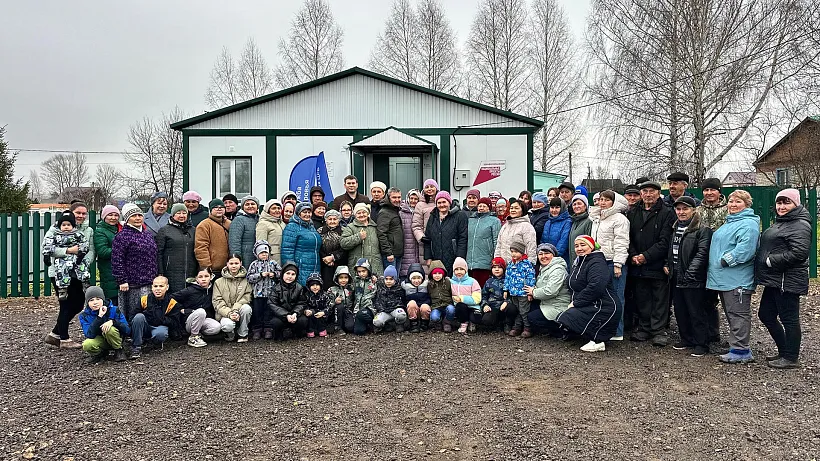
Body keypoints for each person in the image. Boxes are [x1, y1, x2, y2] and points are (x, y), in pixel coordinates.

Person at [756, 189, 811, 369]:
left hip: (786, 280)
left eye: (786, 203)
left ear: (796, 204)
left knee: (790, 319)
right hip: (775, 280)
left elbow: (800, 252)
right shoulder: (783, 222)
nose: (781, 206)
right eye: (779, 203)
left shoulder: (800, 224)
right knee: (765, 314)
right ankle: (784, 350)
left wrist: (772, 261)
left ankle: (791, 357)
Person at [706, 190, 759, 364]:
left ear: (747, 204)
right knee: (731, 312)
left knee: (738, 313)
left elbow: (745, 250)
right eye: (731, 201)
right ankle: (735, 344)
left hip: (737, 278)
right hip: (724, 279)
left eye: (738, 202)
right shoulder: (730, 222)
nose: (733, 205)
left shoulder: (748, 224)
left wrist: (725, 260)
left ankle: (741, 350)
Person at [626, 181, 674, 346]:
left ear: (659, 193)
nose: (648, 194)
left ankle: (659, 331)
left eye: (651, 191)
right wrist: (633, 255)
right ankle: (644, 328)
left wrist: (646, 256)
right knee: (642, 298)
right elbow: (628, 237)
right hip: (637, 265)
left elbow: (665, 240)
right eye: (644, 191)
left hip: (657, 264)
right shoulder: (633, 212)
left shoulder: (667, 212)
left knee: (660, 299)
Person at [663, 196, 712, 357]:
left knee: (696, 310)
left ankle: (701, 343)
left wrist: (692, 272)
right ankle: (687, 338)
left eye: (685, 209)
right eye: (678, 209)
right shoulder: (675, 227)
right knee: (680, 309)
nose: (681, 212)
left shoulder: (702, 229)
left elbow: (702, 253)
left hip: (693, 276)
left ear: (693, 210)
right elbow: (672, 249)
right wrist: (668, 264)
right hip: (675, 274)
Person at [43, 202, 96, 349]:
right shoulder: (57, 228)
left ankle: (54, 334)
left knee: (79, 303)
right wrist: (68, 251)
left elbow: (91, 250)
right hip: (60, 272)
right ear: (71, 213)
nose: (81, 216)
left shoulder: (88, 230)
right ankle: (64, 339)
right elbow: (47, 248)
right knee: (65, 303)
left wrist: (83, 262)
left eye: (84, 213)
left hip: (78, 271)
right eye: (78, 213)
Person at [557, 236, 621, 352]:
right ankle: (583, 335)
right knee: (563, 318)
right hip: (590, 302)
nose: (579, 248)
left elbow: (596, 286)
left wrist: (576, 303)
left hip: (604, 305)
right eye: (576, 246)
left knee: (568, 316)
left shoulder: (597, 262)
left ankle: (598, 340)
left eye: (583, 245)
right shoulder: (579, 262)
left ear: (591, 247)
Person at [590, 190, 630, 339]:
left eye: (606, 200)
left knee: (617, 296)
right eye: (601, 199)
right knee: (602, 296)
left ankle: (617, 331)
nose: (602, 203)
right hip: (599, 259)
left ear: (614, 202)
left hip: (613, 261)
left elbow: (621, 241)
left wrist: (618, 263)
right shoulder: (597, 217)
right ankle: (604, 326)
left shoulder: (619, 219)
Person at [112, 203, 158, 322]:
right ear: (127, 219)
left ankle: (144, 333)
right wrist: (122, 280)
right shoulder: (122, 236)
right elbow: (117, 260)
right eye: (133, 216)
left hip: (148, 282)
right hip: (131, 284)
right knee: (133, 312)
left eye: (139, 215)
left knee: (147, 311)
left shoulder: (147, 235)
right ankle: (131, 335)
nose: (138, 218)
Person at [697, 178, 728, 344]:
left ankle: (733, 338)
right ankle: (709, 333)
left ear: (719, 191)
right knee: (706, 299)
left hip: (721, 259)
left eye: (712, 190)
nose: (709, 193)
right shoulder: (698, 211)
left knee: (727, 301)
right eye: (706, 190)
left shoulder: (728, 209)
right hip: (703, 258)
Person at [525, 244, 570, 337]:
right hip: (547, 302)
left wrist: (533, 292)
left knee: (532, 317)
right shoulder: (544, 268)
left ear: (553, 255)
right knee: (528, 308)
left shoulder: (558, 269)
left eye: (547, 253)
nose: (543, 256)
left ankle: (563, 330)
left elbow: (551, 291)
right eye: (540, 254)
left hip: (558, 304)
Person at [43, 211, 90, 300]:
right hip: (62, 258)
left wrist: (82, 253)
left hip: (76, 257)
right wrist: (46, 255)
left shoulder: (77, 234)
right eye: (63, 225)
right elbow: (48, 244)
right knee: (61, 270)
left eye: (68, 225)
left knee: (82, 267)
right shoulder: (56, 234)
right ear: (60, 226)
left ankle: (85, 282)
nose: (66, 227)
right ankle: (62, 289)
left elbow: (84, 243)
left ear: (73, 226)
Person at [171, 268, 222, 347]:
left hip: (204, 319)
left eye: (206, 276)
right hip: (189, 321)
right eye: (200, 277)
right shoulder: (190, 290)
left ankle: (199, 334)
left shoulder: (213, 290)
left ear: (211, 277)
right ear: (196, 278)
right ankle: (193, 337)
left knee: (216, 327)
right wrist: (182, 310)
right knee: (201, 311)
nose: (203, 279)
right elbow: (171, 298)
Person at [79, 286, 129, 364]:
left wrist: (113, 322)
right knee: (87, 344)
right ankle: (100, 353)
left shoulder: (114, 309)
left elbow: (127, 330)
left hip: (115, 338)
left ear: (103, 299)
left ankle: (119, 350)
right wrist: (99, 317)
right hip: (100, 340)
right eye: (91, 300)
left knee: (110, 329)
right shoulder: (84, 316)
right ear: (87, 302)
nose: (95, 302)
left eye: (98, 299)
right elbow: (89, 334)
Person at [423, 191, 468, 276]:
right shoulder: (433, 216)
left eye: (444, 202)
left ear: (449, 202)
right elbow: (427, 239)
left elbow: (463, 238)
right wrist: (428, 257)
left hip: (453, 257)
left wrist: (460, 257)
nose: (442, 205)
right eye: (439, 203)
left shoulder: (460, 216)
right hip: (436, 258)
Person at [155, 203, 197, 294]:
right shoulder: (164, 230)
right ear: (173, 215)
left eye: (184, 213)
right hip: (171, 272)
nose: (181, 215)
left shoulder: (193, 230)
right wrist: (160, 272)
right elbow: (159, 252)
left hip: (191, 271)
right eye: (178, 213)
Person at [130, 276, 175, 359]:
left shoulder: (172, 302)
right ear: (152, 287)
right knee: (138, 317)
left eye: (161, 286)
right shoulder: (144, 299)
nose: (158, 289)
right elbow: (132, 316)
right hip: (145, 326)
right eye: (155, 286)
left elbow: (174, 321)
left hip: (159, 327)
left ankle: (154, 342)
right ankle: (136, 347)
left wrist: (160, 319)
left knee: (161, 334)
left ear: (167, 287)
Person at [246, 240, 281, 340]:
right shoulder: (254, 264)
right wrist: (260, 275)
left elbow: (281, 273)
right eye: (261, 253)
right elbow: (249, 278)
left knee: (268, 312)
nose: (264, 254)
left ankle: (268, 329)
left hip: (270, 293)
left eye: (266, 252)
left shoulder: (273, 263)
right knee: (258, 312)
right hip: (258, 294)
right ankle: (257, 330)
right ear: (257, 254)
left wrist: (274, 274)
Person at [213, 254, 253, 342]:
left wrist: (235, 310)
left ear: (241, 264)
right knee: (227, 325)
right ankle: (230, 334)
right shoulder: (218, 282)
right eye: (231, 263)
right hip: (225, 313)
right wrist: (229, 313)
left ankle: (243, 334)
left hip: (239, 310)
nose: (234, 266)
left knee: (247, 308)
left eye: (236, 263)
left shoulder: (246, 281)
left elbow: (247, 297)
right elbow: (217, 301)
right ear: (227, 264)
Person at [281, 202, 323, 286]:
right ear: (298, 214)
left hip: (314, 266)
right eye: (304, 212)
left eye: (309, 212)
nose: (307, 214)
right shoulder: (292, 227)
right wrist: (290, 269)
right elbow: (287, 250)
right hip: (301, 267)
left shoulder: (311, 226)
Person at [341, 202, 387, 277]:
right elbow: (343, 243)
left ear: (368, 213)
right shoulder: (351, 227)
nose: (362, 215)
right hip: (358, 268)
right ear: (355, 215)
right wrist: (358, 237)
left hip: (375, 266)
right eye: (359, 213)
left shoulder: (375, 227)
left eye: (364, 212)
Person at [268, 261, 309, 339]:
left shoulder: (299, 287)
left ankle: (296, 332)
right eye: (287, 273)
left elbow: (302, 303)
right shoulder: (276, 288)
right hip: (281, 316)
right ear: (282, 274)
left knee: (303, 321)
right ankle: (279, 333)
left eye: (293, 274)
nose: (290, 276)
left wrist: (295, 313)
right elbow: (272, 304)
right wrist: (286, 315)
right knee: (275, 323)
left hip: (294, 315)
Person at [467, 197, 501, 287]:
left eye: (484, 206)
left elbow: (496, 240)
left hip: (485, 262)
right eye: (480, 205)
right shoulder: (470, 220)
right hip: (470, 262)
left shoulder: (494, 221)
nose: (481, 208)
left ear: (489, 208)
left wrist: (495, 257)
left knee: (483, 288)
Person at [504, 240, 535, 337]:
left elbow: (531, 278)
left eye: (516, 252)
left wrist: (530, 292)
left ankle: (527, 327)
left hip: (523, 292)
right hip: (513, 292)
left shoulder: (526, 264)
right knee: (517, 310)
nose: (513, 254)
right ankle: (517, 327)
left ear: (522, 252)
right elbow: (507, 277)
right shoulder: (510, 265)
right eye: (512, 251)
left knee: (524, 311)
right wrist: (506, 289)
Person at [194, 199, 232, 274]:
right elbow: (201, 247)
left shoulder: (229, 224)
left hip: (229, 268)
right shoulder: (204, 225)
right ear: (211, 210)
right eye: (215, 207)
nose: (219, 209)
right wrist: (206, 266)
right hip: (213, 269)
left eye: (221, 207)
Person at [93, 205, 121, 305]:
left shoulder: (119, 229)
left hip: (120, 271)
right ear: (104, 216)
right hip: (109, 270)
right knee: (112, 301)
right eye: (110, 215)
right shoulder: (100, 231)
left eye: (116, 215)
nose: (113, 218)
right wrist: (122, 250)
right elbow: (103, 251)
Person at [495, 199, 537, 264]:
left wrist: (530, 264)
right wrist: (497, 261)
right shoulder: (505, 226)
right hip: (504, 266)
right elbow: (499, 245)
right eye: (511, 208)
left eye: (516, 208)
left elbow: (531, 247)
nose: (513, 210)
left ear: (522, 210)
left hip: (520, 267)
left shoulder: (527, 227)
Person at [412, 179, 440, 272]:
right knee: (427, 270)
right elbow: (416, 225)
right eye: (427, 187)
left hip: (441, 241)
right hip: (426, 243)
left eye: (432, 186)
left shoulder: (442, 202)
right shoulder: (420, 205)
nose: (429, 189)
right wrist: (421, 237)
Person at [450, 258, 482, 334]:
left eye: (461, 269)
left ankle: (472, 322)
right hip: (460, 307)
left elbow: (477, 299)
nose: (459, 272)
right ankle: (464, 323)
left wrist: (462, 298)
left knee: (476, 317)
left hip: (473, 307)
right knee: (460, 306)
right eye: (456, 269)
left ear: (466, 270)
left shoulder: (473, 281)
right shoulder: (450, 282)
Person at [318, 209, 347, 290]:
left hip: (339, 263)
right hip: (324, 264)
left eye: (335, 219)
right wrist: (325, 258)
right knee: (326, 286)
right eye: (330, 219)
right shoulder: (320, 231)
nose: (332, 221)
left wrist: (333, 257)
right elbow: (318, 246)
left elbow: (345, 247)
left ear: (339, 220)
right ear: (326, 220)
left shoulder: (344, 231)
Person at [227, 195, 260, 268]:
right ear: (243, 207)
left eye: (253, 204)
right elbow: (234, 242)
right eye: (247, 204)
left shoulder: (260, 220)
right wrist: (236, 259)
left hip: (257, 257)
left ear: (257, 206)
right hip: (245, 258)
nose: (250, 206)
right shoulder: (239, 220)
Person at [373, 265, 408, 332]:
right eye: (386, 279)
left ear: (395, 279)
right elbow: (374, 277)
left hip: (395, 310)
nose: (388, 281)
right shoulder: (380, 285)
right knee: (377, 322)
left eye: (391, 279)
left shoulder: (399, 287)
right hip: (384, 310)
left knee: (401, 315)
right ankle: (386, 324)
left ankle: (399, 324)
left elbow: (403, 300)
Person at [377, 187, 404, 273]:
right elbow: (381, 233)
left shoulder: (396, 210)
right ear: (388, 197)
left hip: (398, 253)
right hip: (390, 255)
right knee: (390, 279)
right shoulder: (385, 212)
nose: (397, 199)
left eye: (399, 197)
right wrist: (388, 253)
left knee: (396, 280)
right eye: (394, 197)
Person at [541, 197, 572, 266]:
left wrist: (553, 257)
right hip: (547, 259)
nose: (554, 210)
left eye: (557, 207)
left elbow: (563, 242)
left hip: (560, 260)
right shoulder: (548, 222)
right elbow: (543, 241)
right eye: (552, 207)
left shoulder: (567, 222)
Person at [351, 258, 378, 336]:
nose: (361, 274)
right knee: (358, 331)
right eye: (359, 271)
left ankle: (374, 323)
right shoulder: (355, 281)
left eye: (363, 271)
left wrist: (375, 276)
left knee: (361, 314)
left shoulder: (373, 281)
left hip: (370, 308)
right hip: (358, 308)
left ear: (368, 270)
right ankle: (367, 326)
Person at [480, 258, 507, 331]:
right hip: (493, 306)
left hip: (504, 306)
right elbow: (484, 295)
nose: (497, 269)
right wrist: (485, 305)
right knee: (486, 320)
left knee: (511, 310)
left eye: (499, 267)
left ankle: (507, 324)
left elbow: (512, 295)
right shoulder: (489, 282)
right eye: (494, 267)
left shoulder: (508, 280)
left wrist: (506, 302)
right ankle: (496, 323)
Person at [402, 263, 431, 332]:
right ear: (410, 278)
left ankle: (424, 323)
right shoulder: (405, 286)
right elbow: (403, 299)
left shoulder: (427, 285)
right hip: (412, 310)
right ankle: (413, 324)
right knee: (411, 303)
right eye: (414, 278)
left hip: (423, 309)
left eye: (419, 278)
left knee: (425, 307)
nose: (416, 280)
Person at [399, 189, 422, 277]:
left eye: (415, 199)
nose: (413, 201)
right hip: (406, 246)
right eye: (411, 198)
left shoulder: (420, 212)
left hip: (419, 247)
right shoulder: (401, 212)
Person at [427, 260, 455, 332]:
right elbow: (429, 295)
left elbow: (451, 292)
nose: (437, 275)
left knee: (451, 309)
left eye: (439, 273)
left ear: (443, 274)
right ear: (431, 274)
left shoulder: (447, 282)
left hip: (447, 304)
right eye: (435, 273)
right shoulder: (429, 284)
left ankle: (447, 323)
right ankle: (438, 322)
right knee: (434, 317)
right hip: (436, 306)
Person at [256, 199, 286, 265]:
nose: (277, 210)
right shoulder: (263, 224)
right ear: (268, 210)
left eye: (279, 208)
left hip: (283, 256)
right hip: (271, 259)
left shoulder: (282, 223)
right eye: (273, 208)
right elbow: (261, 244)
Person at [304, 272, 331, 338]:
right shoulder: (306, 295)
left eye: (317, 285)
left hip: (322, 314)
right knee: (310, 316)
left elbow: (329, 306)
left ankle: (322, 329)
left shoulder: (324, 295)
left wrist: (323, 312)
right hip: (311, 314)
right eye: (312, 285)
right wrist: (306, 310)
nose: (315, 287)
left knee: (320, 316)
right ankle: (310, 330)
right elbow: (303, 304)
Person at [329, 266, 355, 334]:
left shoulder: (351, 288)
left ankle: (345, 325)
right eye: (341, 278)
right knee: (339, 306)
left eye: (346, 277)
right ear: (336, 278)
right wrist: (334, 302)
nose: (343, 280)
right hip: (336, 313)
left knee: (350, 327)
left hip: (348, 311)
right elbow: (327, 304)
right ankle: (337, 327)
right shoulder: (332, 290)